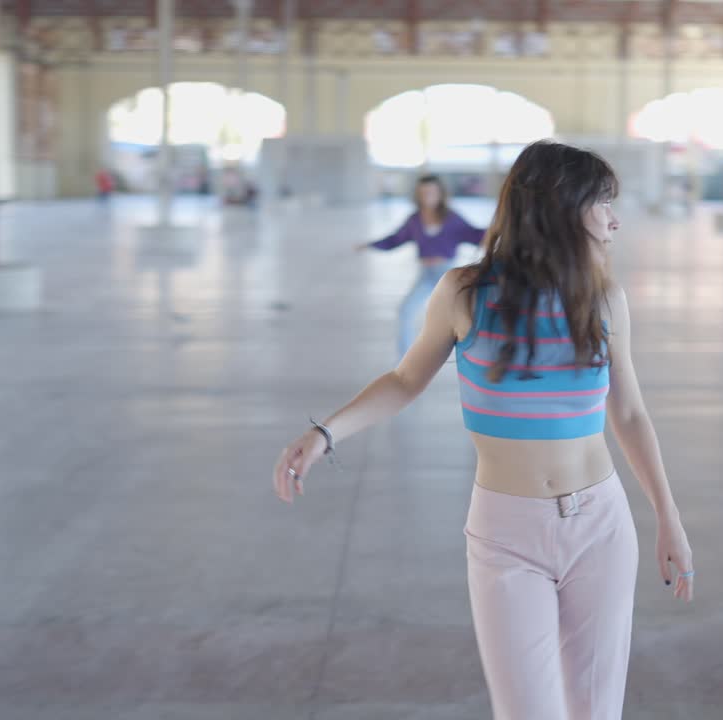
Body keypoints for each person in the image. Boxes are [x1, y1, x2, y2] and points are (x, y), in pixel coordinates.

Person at [275, 141, 694, 719]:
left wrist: (668, 518)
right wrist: (326, 432)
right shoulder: (465, 292)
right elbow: (405, 379)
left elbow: (630, 415)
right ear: (561, 205)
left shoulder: (604, 300)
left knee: (595, 711)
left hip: (601, 526)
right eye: (602, 202)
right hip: (506, 535)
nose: (614, 218)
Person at [356, 175, 486, 358]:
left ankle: (477, 357)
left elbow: (475, 234)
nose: (428, 196)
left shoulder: (452, 218)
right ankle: (405, 360)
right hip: (425, 275)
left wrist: (500, 232)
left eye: (432, 192)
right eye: (424, 192)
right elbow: (395, 239)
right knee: (405, 311)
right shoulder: (414, 220)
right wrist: (370, 245)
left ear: (440, 194)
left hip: (447, 274)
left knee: (466, 316)